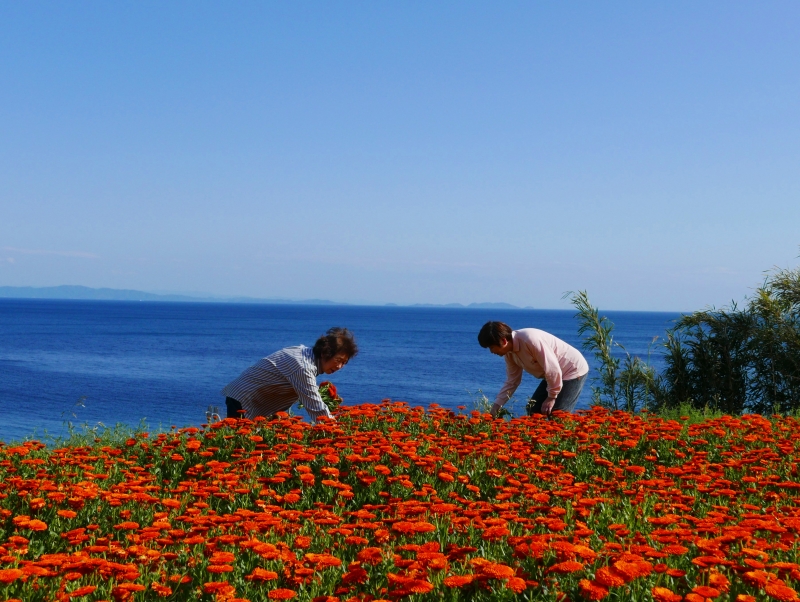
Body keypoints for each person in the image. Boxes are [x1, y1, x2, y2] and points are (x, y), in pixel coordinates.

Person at [221, 327, 357, 421]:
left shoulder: (306, 355)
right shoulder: (303, 367)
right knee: (240, 448)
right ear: (324, 353)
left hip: (252, 400)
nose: (339, 366)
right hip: (243, 399)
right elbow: (316, 407)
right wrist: (337, 433)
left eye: (344, 363)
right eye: (338, 360)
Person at [478, 321, 588, 418]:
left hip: (572, 370)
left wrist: (551, 398)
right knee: (534, 410)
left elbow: (552, 369)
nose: (491, 352)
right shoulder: (509, 353)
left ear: (503, 341)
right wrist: (497, 406)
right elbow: (512, 381)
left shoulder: (530, 340)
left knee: (558, 414)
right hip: (553, 374)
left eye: (491, 347)